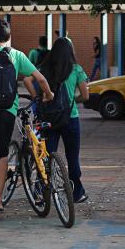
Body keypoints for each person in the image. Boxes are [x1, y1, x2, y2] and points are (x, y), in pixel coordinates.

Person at [0, 19, 54, 222]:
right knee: (2, 156)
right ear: (9, 37)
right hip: (8, 111)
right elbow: (40, 79)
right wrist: (48, 94)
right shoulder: (17, 55)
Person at [26, 37, 90, 203]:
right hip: (70, 119)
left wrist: (36, 99)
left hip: (48, 118)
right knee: (72, 158)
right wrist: (72, 100)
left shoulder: (44, 68)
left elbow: (27, 79)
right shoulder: (76, 69)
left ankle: (40, 191)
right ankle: (77, 192)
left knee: (46, 157)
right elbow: (85, 95)